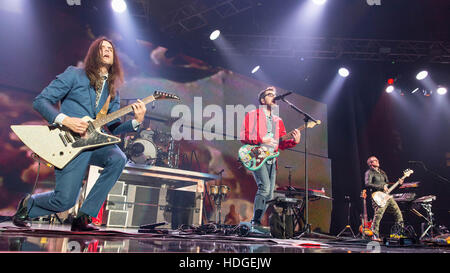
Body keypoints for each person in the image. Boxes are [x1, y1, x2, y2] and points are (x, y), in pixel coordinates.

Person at [12, 37, 147, 231]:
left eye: (110, 48)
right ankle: (29, 205)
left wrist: (136, 121)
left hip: (95, 143)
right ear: (94, 53)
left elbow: (114, 127)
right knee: (64, 202)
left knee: (118, 158)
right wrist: (65, 120)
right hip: (70, 143)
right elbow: (40, 101)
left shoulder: (113, 91)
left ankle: (84, 216)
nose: (107, 50)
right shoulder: (74, 74)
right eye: (102, 48)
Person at [240, 86, 301, 228]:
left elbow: (280, 143)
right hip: (256, 155)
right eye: (269, 94)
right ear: (262, 100)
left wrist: (294, 141)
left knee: (270, 195)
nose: (273, 96)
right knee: (264, 188)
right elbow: (244, 136)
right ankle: (255, 222)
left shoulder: (278, 120)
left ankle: (256, 222)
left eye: (274, 94)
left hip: (272, 159)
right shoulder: (253, 115)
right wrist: (262, 140)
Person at [364, 156, 404, 241]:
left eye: (377, 160)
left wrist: (399, 184)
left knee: (398, 214)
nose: (377, 161)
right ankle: (374, 235)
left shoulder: (382, 172)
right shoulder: (369, 172)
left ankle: (398, 235)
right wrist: (381, 186)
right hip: (377, 196)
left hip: (387, 196)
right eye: (375, 160)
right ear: (370, 164)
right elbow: (367, 184)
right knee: (378, 215)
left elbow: (388, 187)